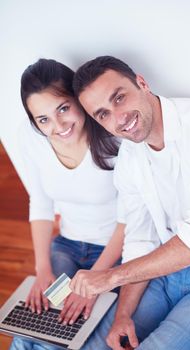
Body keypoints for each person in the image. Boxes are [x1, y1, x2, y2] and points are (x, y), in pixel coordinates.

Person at [70, 56, 190, 350]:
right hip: (164, 272)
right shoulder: (130, 160)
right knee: (97, 345)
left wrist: (110, 277)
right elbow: (140, 237)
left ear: (142, 83)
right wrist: (123, 314)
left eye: (119, 98)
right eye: (103, 114)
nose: (118, 118)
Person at [10, 58, 125, 350]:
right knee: (30, 329)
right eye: (43, 119)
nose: (58, 126)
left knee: (60, 334)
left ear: (78, 99)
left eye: (63, 108)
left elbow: (131, 218)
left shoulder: (114, 140)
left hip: (114, 255)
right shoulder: (31, 138)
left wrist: (97, 281)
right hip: (68, 247)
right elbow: (41, 202)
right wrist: (43, 269)